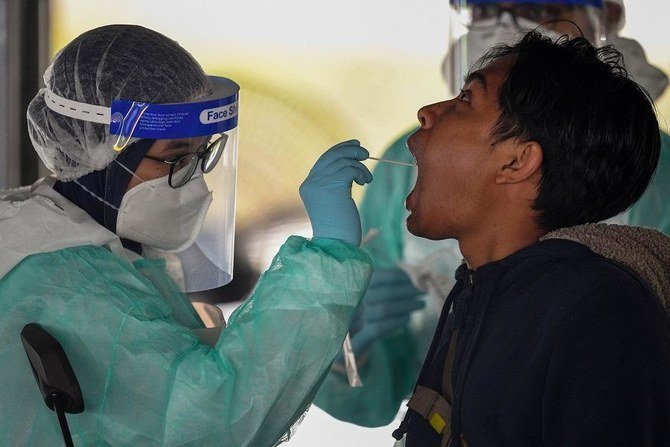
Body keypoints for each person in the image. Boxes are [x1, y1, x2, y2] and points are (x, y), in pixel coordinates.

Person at [0, 25, 375, 446]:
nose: (195, 180)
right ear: (100, 152)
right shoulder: (68, 283)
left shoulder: (73, 237)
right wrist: (326, 260)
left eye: (202, 154)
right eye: (175, 158)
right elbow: (215, 420)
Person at [314, 0, 670, 427]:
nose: (426, 113)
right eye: (484, 9)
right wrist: (343, 341)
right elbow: (382, 395)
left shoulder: (602, 312)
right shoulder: (474, 288)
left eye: (541, 6)